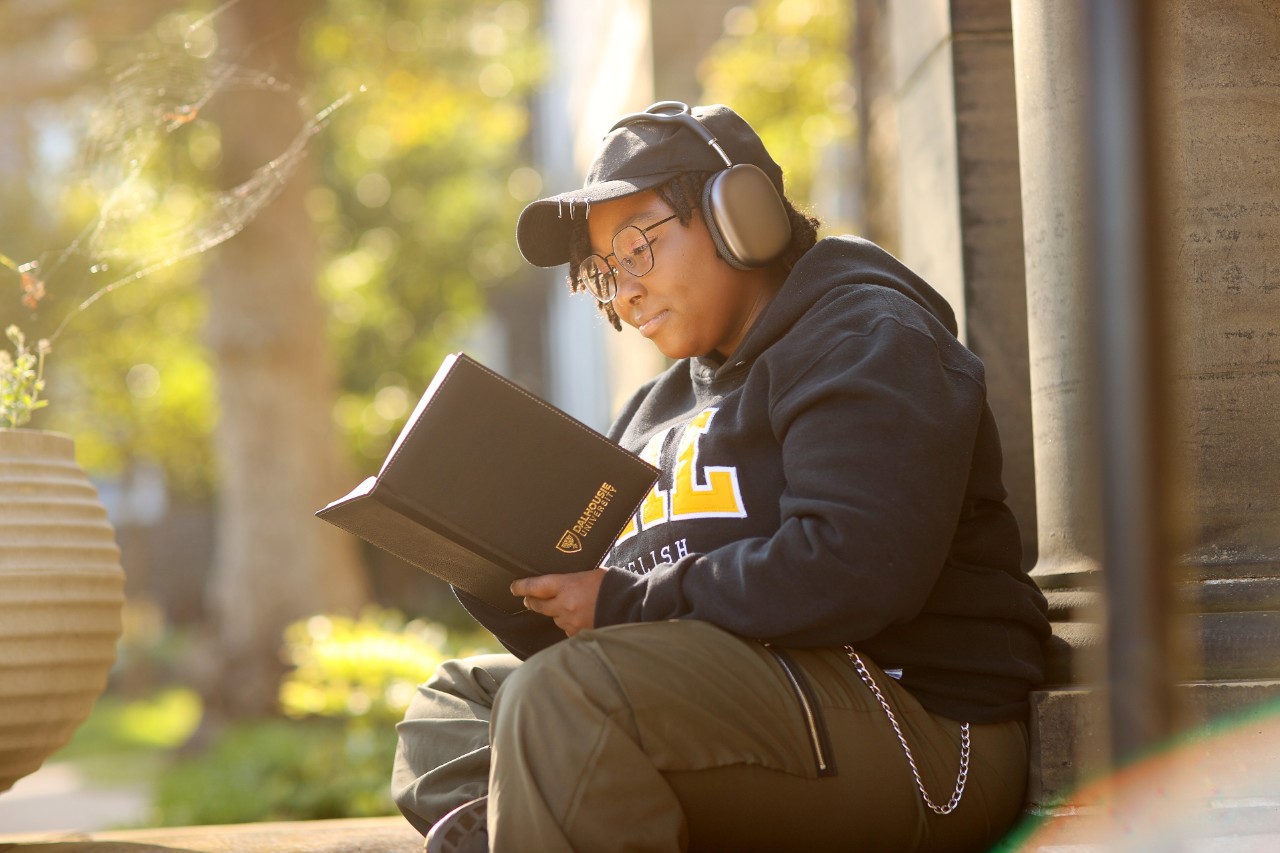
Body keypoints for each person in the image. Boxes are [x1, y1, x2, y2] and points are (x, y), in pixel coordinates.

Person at [392, 102, 1050, 853]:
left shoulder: (866, 334)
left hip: (919, 726)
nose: (624, 292)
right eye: (604, 274)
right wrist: (499, 568)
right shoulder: (654, 406)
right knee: (449, 709)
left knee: (559, 701)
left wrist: (627, 603)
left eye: (636, 249)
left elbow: (857, 566)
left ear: (741, 216)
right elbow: (614, 616)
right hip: (750, 704)